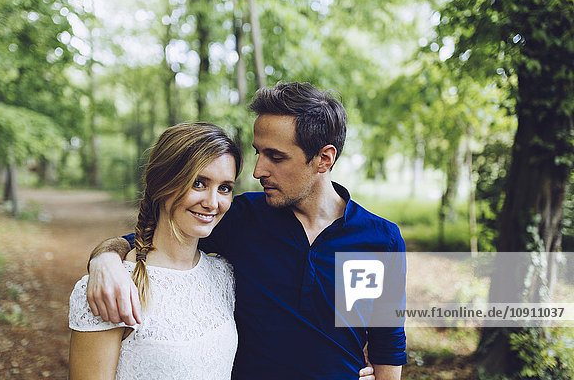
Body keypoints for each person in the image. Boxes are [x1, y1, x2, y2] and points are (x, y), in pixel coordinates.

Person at [87, 82, 406, 380]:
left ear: (323, 158)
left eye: (276, 157)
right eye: (258, 152)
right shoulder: (243, 218)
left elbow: (387, 342)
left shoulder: (380, 240)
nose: (258, 170)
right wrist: (105, 260)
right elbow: (149, 239)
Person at [68, 123, 242, 379]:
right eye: (198, 183)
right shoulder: (110, 286)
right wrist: (104, 258)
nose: (212, 203)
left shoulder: (224, 275)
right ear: (162, 183)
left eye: (224, 188)